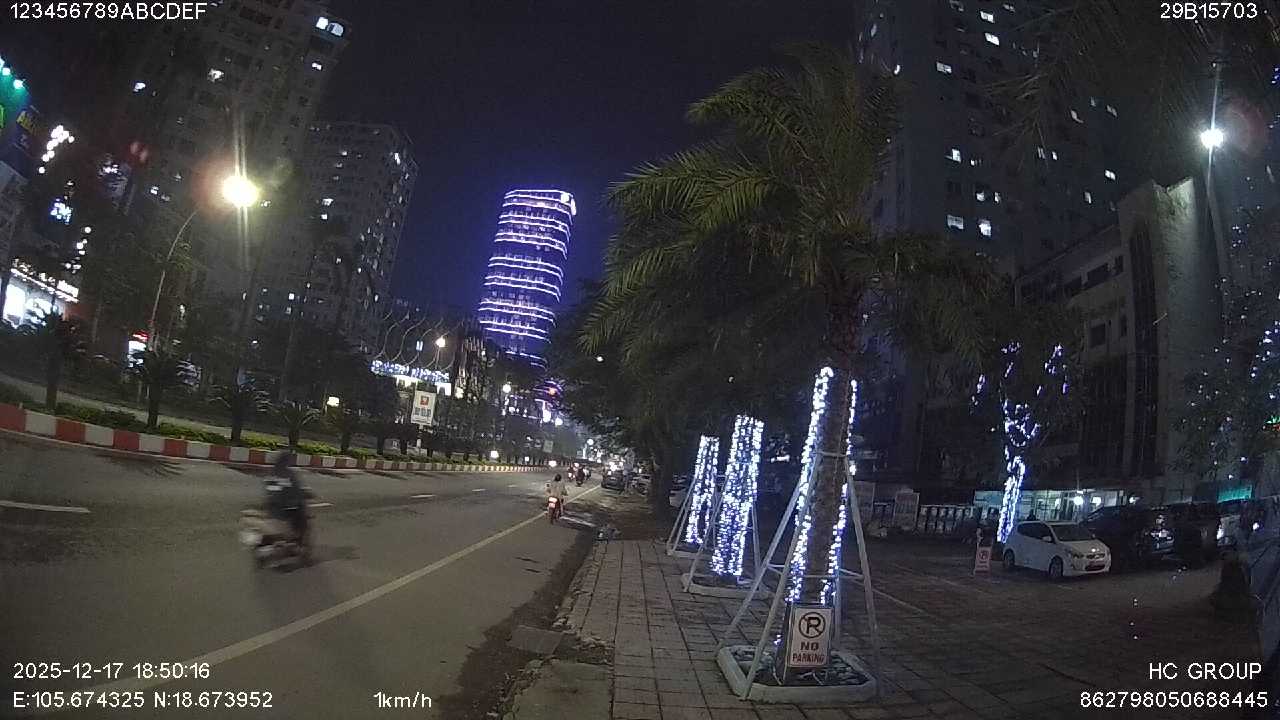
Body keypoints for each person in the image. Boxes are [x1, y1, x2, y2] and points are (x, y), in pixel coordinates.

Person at [266, 451, 311, 545]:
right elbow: (297, 489)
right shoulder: (289, 473)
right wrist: (305, 494)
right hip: (287, 507)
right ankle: (297, 541)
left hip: (273, 507)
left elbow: (271, 490)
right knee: (301, 517)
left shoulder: (272, 472)